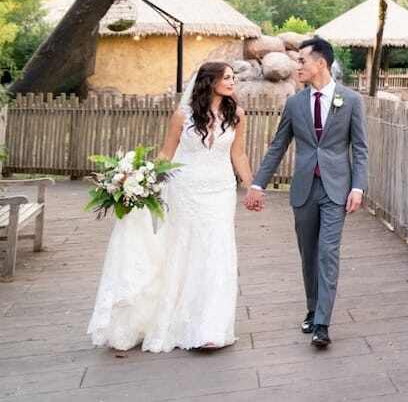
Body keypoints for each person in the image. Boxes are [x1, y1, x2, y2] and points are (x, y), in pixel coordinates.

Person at [87, 61, 252, 352]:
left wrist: (252, 187)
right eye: (227, 77)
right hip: (185, 188)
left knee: (217, 251)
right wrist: (141, 179)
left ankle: (211, 327)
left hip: (220, 190)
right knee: (183, 249)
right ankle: (177, 319)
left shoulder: (237, 115)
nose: (232, 81)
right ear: (209, 81)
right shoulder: (183, 116)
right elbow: (167, 152)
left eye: (233, 77)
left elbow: (238, 154)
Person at [245, 36, 368, 348]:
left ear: (320, 63)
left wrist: (358, 186)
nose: (296, 66)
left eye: (301, 61)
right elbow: (278, 146)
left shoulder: (351, 100)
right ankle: (313, 309)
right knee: (308, 254)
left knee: (328, 253)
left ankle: (323, 324)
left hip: (336, 189)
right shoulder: (294, 103)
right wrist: (257, 183)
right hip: (303, 189)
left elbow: (361, 149)